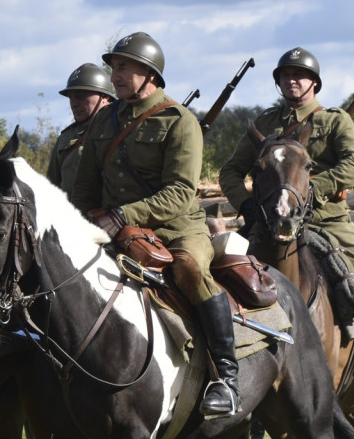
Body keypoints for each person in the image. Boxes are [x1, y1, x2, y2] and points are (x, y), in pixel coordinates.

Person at [219, 46, 354, 395]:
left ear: (314, 83)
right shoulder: (264, 123)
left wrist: (310, 190)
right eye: (285, 75)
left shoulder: (334, 120)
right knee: (226, 269)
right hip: (269, 220)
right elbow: (230, 171)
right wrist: (246, 204)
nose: (292, 80)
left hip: (325, 218)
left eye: (299, 75)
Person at [71, 32, 239, 418]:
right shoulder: (102, 122)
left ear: (149, 73)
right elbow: (83, 190)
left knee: (191, 269)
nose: (115, 75)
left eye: (124, 67)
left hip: (176, 228)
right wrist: (81, 224)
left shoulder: (178, 120)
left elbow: (181, 192)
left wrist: (122, 216)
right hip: (115, 230)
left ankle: (225, 380)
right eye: (113, 68)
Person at [46, 63, 115, 195]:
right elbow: (52, 188)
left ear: (104, 97)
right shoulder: (66, 138)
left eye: (81, 96)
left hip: (113, 214)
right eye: (71, 97)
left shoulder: (120, 130)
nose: (74, 103)